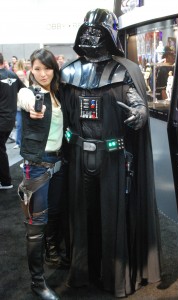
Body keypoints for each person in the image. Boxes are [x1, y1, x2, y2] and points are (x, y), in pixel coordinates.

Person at [60, 8, 161, 298]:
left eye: (97, 31)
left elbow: (136, 102)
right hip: (79, 155)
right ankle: (82, 272)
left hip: (113, 158)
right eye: (87, 31)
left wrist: (140, 114)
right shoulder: (69, 71)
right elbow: (62, 112)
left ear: (109, 35)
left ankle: (114, 278)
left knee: (111, 217)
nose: (91, 36)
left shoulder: (124, 71)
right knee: (81, 217)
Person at [17, 48, 68, 300]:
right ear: (30, 70)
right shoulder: (28, 91)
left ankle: (52, 251)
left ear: (54, 69)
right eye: (37, 68)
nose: (42, 73)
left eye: (47, 68)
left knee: (55, 212)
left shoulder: (58, 94)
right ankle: (37, 282)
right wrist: (34, 106)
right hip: (37, 165)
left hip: (57, 163)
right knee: (35, 225)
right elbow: (27, 100)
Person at [0, 53, 25, 189]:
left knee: (1, 151)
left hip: (2, 119)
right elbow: (24, 90)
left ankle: (5, 181)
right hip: (10, 118)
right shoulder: (13, 75)